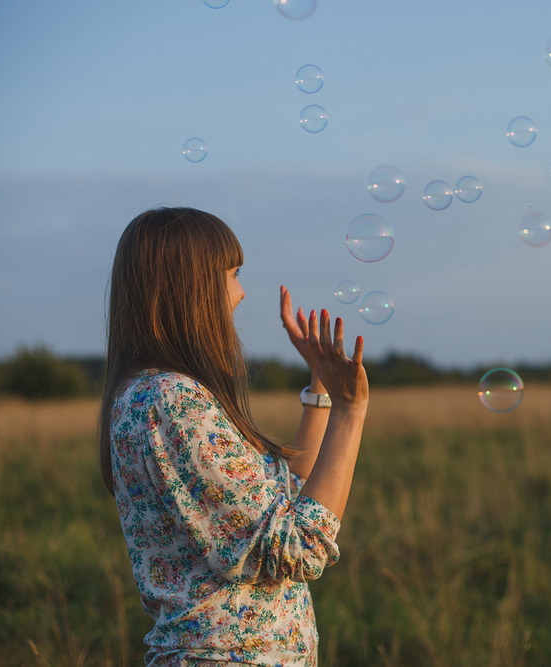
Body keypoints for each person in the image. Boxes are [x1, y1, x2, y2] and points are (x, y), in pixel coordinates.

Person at [97, 207, 369, 666]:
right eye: (232, 273)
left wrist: (320, 387)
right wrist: (351, 410)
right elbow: (297, 547)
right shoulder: (173, 401)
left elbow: (290, 504)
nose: (241, 293)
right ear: (188, 285)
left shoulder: (148, 394)